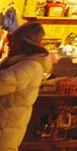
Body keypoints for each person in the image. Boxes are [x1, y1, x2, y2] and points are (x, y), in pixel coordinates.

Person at [0, 21, 52, 151]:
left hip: (5, 130)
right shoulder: (19, 63)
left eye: (14, 41)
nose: (9, 44)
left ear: (25, 44)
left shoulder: (29, 66)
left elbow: (4, 82)